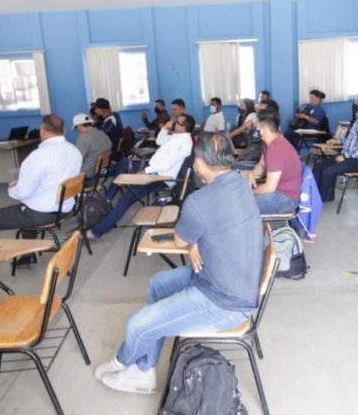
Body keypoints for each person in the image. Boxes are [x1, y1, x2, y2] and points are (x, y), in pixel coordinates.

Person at [94, 132, 263, 394]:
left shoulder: (199, 201)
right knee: (158, 284)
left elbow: (181, 238)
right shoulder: (240, 183)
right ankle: (144, 370)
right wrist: (195, 243)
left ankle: (123, 362)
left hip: (224, 303)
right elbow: (204, 232)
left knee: (137, 325)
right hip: (229, 281)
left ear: (199, 164)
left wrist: (192, 242)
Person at [0, 115, 82, 289]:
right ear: (63, 131)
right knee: (27, 205)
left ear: (42, 131)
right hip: (65, 208)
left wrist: (12, 187)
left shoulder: (38, 156)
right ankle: (27, 255)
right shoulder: (74, 150)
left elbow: (22, 193)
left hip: (40, 214)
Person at [87, 114, 193, 240]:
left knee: (126, 195)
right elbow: (159, 141)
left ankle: (99, 226)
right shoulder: (178, 136)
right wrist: (165, 128)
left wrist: (145, 171)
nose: (174, 122)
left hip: (159, 177)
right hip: (154, 171)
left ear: (183, 127)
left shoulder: (183, 143)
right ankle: (107, 204)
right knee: (124, 172)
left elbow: (165, 165)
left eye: (177, 122)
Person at [312, 89, 358, 203]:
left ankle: (322, 199)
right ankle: (316, 196)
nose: (355, 103)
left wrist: (345, 156)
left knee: (328, 171)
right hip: (349, 156)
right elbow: (351, 140)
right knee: (318, 166)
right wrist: (336, 140)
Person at [246, 108, 301, 214]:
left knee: (240, 204)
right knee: (240, 200)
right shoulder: (270, 143)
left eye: (257, 126)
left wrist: (250, 191)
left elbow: (269, 188)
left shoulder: (276, 148)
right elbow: (261, 165)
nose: (255, 129)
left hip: (286, 199)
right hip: (279, 192)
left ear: (263, 130)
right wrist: (252, 174)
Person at [73, 113, 112, 181]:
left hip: (87, 173)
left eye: (76, 128)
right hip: (100, 170)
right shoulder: (103, 133)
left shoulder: (83, 137)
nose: (77, 131)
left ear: (79, 126)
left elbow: (77, 159)